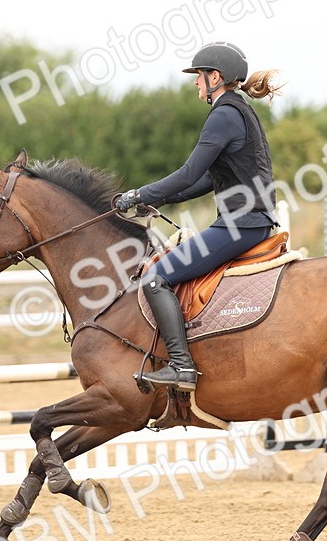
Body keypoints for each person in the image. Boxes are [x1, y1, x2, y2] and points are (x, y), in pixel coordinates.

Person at [114, 41, 283, 392]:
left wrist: (138, 194)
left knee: (156, 277)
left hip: (241, 224)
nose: (195, 83)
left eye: (199, 76)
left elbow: (190, 172)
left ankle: (181, 367)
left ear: (215, 77)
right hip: (252, 220)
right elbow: (208, 179)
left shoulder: (224, 114)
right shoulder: (241, 110)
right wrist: (162, 200)